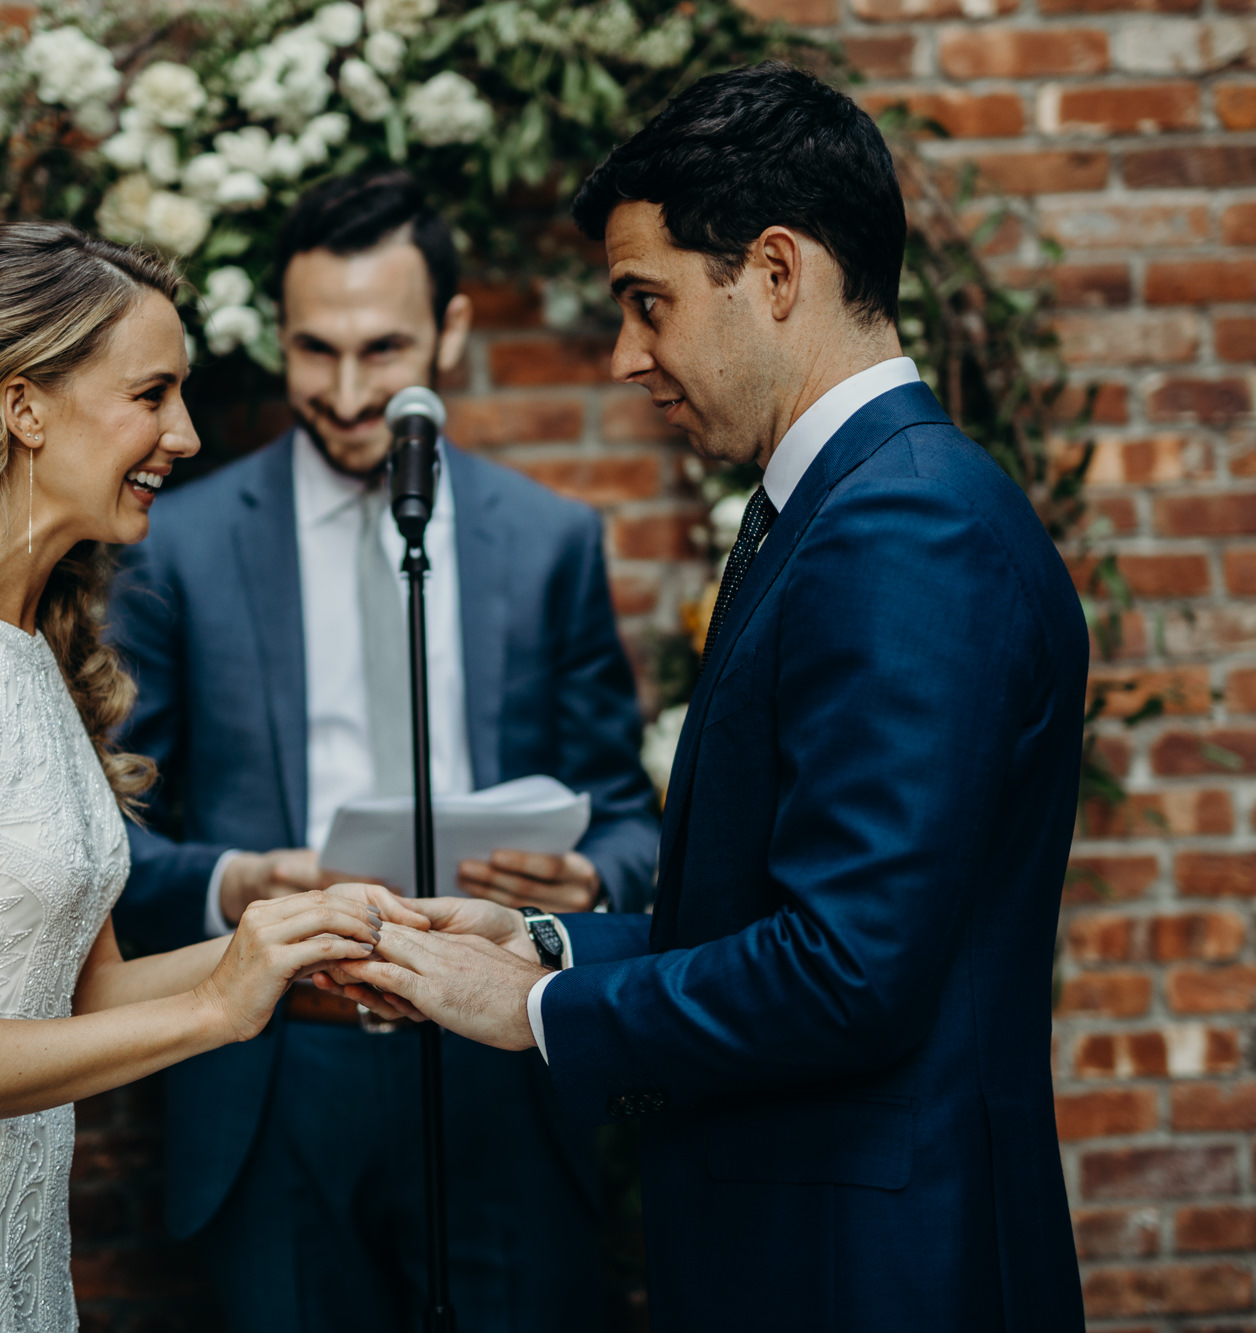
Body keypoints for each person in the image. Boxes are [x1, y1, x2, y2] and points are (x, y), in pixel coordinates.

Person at [322, 64, 1091, 1331]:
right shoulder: (848, 502)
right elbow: (777, 911)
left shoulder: (901, 526)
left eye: (647, 303)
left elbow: (845, 970)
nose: (627, 356)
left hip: (870, 1266)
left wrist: (536, 1009)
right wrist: (542, 940)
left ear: (775, 274)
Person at [0, 222, 415, 1331]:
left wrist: (287, 945)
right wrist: (215, 1009)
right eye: (153, 393)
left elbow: (78, 994)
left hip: (1, 1265)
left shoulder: (21, 642)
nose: (184, 434)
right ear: (24, 407)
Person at [107, 169, 659, 1331]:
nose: (349, 393)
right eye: (316, 351)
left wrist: (591, 879)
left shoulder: (551, 540)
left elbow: (626, 817)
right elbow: (105, 840)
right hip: (276, 1069)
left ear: (451, 331)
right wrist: (237, 883)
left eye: (382, 349)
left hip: (505, 1067)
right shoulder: (178, 547)